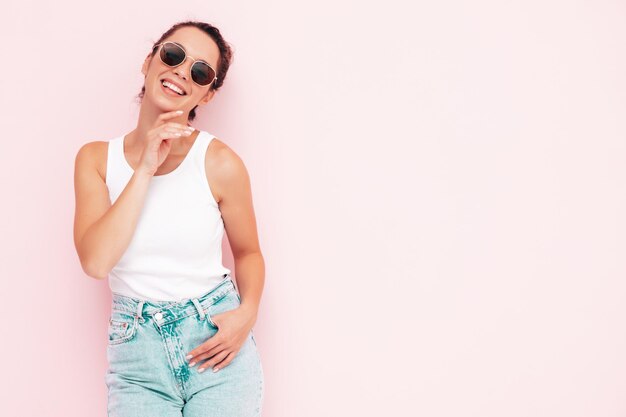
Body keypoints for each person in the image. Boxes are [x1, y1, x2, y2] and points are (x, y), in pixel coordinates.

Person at [73, 20, 265, 416]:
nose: (181, 71)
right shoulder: (95, 160)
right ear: (149, 61)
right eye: (173, 54)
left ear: (207, 95)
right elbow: (95, 262)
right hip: (137, 360)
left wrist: (246, 315)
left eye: (200, 71)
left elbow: (248, 253)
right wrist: (144, 168)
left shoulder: (219, 163)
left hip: (214, 344)